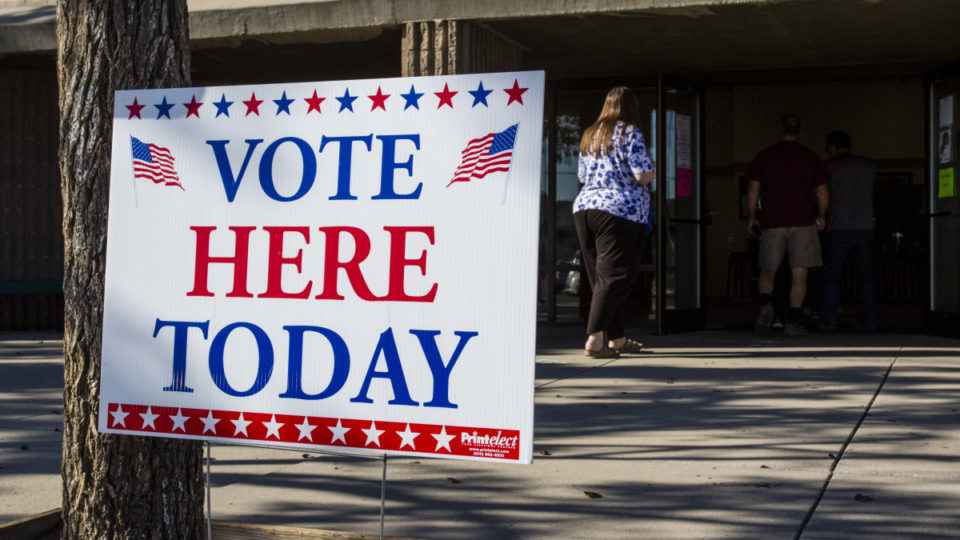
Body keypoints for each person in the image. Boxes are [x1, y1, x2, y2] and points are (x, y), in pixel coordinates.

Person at [573, 86, 655, 357]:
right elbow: (642, 175)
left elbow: (583, 175)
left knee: (603, 279)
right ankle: (595, 340)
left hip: (585, 208)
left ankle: (616, 339)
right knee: (615, 277)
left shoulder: (589, 135)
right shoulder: (629, 132)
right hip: (620, 210)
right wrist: (652, 168)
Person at [746, 114, 829, 336]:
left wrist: (753, 216)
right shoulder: (811, 158)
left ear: (780, 130)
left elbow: (753, 189)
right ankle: (793, 321)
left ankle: (765, 306)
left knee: (768, 269)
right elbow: (822, 191)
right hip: (803, 222)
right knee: (799, 273)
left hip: (772, 222)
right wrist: (821, 214)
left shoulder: (764, 156)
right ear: (799, 132)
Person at [820, 130, 878, 332]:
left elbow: (821, 195)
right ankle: (870, 320)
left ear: (833, 148)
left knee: (832, 276)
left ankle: (830, 319)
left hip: (838, 227)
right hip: (864, 227)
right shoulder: (869, 166)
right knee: (866, 276)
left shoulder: (829, 167)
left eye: (828, 148)